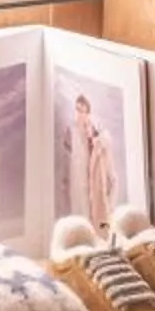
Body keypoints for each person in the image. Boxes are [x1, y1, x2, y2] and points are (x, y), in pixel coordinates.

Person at [65, 92, 117, 229]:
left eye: (83, 111)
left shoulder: (102, 145)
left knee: (103, 229)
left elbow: (113, 180)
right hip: (82, 197)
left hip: (100, 206)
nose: (79, 115)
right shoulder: (73, 133)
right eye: (77, 110)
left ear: (89, 114)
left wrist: (110, 207)